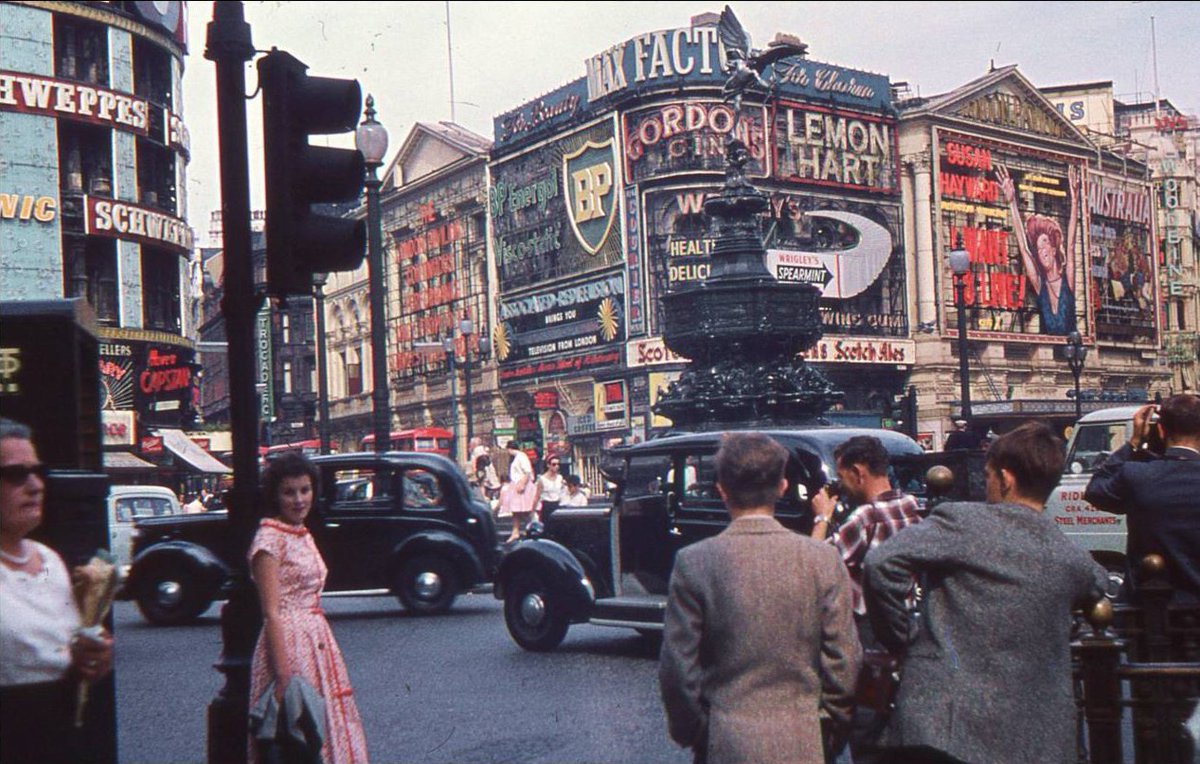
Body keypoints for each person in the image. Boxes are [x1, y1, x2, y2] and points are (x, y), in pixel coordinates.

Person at [863, 421, 1107, 764]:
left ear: (1005, 479)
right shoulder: (1069, 556)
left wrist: (903, 636)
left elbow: (880, 564)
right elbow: (1098, 581)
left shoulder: (961, 521)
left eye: (989, 475)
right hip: (1032, 739)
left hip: (941, 727)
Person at [659, 432, 861, 764]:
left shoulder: (694, 562)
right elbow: (845, 659)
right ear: (782, 487)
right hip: (803, 737)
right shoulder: (820, 559)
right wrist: (829, 728)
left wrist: (697, 733)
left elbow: (677, 670)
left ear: (721, 489)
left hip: (726, 739)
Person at [1, 418, 113, 764]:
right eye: (16, 474)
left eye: (38, 471)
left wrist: (91, 657)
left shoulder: (49, 559)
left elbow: (61, 655)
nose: (35, 485)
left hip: (62, 741)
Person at [248, 452, 369, 764]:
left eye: (305, 490)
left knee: (318, 724)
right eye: (289, 492)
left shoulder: (300, 533)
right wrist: (283, 675)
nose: (299, 499)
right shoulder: (269, 540)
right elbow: (271, 611)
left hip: (315, 638)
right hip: (289, 642)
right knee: (300, 726)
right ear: (276, 495)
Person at [811, 435, 922, 764]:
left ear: (858, 472)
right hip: (907, 625)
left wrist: (822, 516)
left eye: (843, 477)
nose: (841, 487)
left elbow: (813, 565)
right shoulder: (912, 507)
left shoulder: (864, 519)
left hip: (868, 633)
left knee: (864, 730)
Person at [1084, 394, 1200, 603]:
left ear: (1161, 430)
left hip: (1149, 613)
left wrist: (1134, 443)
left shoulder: (1137, 475)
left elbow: (1095, 491)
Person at [996, 163, 1081, 335]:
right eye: (1038, 247)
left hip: (1072, 348)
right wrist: (1012, 203)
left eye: (1045, 243)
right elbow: (1023, 247)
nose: (1042, 250)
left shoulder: (1067, 281)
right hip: (1048, 349)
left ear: (1054, 249)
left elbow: (1071, 245)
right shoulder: (1040, 284)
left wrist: (1075, 199)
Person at [504, 440, 538, 525]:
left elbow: (527, 472)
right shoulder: (517, 457)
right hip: (517, 484)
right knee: (517, 510)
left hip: (522, 485)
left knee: (524, 509)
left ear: (510, 449)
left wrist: (523, 484)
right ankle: (518, 530)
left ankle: (531, 524)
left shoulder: (521, 456)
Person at [534, 454, 565, 521]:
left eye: (558, 464)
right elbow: (537, 496)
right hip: (546, 506)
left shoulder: (560, 478)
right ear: (548, 465)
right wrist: (533, 511)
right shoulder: (542, 479)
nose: (556, 466)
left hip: (557, 505)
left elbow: (562, 493)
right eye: (554, 464)